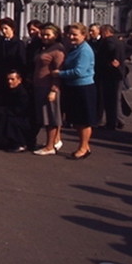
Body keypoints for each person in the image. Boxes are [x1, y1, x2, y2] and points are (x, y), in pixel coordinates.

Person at [53, 22, 96, 160]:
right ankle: (84, 146)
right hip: (74, 87)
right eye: (70, 34)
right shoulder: (74, 48)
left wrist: (59, 74)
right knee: (77, 120)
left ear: (84, 35)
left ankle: (84, 147)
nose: (71, 37)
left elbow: (79, 71)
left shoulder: (84, 50)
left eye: (75, 35)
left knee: (83, 120)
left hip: (83, 87)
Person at [32, 24, 65, 155]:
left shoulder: (58, 50)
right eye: (43, 34)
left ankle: (50, 146)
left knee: (50, 117)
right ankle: (51, 143)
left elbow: (58, 71)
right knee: (45, 116)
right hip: (40, 85)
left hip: (48, 87)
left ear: (55, 36)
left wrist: (54, 90)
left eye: (48, 35)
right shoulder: (46, 48)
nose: (45, 37)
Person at [0, 71, 32, 153]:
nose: (9, 81)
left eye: (12, 79)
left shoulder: (23, 94)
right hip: (10, 114)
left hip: (23, 120)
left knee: (10, 119)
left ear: (19, 80)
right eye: (8, 79)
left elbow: (19, 111)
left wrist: (1, 110)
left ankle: (20, 144)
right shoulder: (7, 91)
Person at [99, 24, 127, 130]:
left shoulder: (108, 41)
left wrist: (110, 62)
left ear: (106, 32)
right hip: (119, 73)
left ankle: (111, 122)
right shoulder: (119, 41)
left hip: (110, 74)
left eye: (101, 31)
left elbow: (110, 51)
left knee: (110, 100)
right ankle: (119, 120)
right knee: (116, 99)